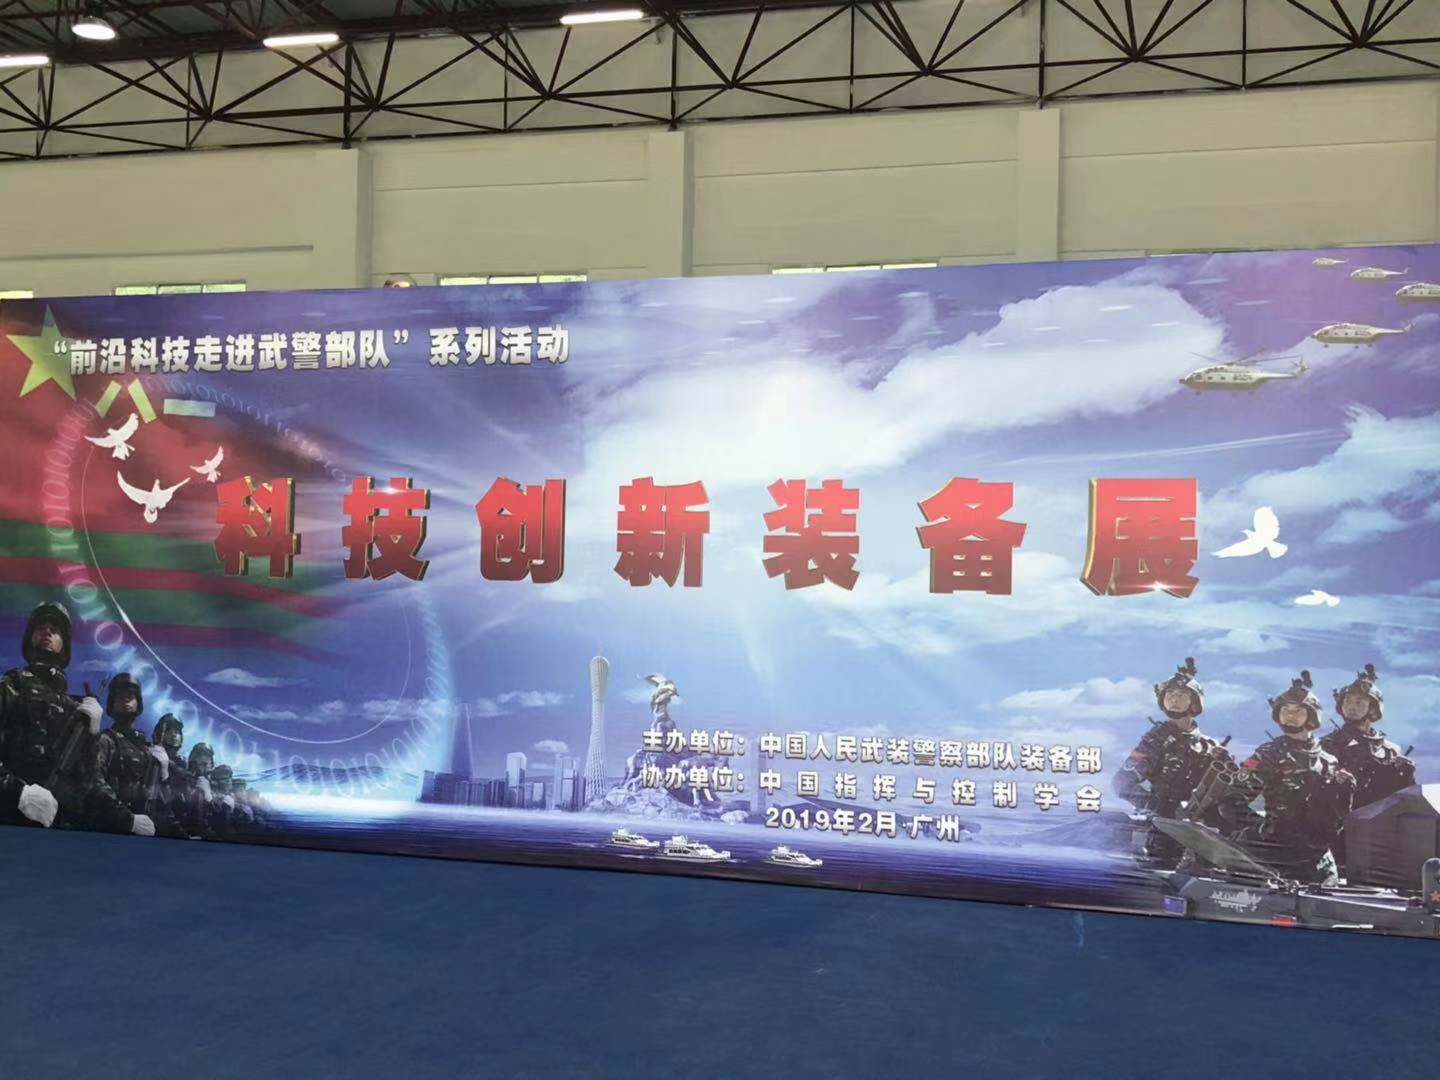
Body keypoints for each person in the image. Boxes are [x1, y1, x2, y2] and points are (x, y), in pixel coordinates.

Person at [1113, 657, 1247, 866]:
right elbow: (1122, 782)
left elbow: (1234, 795)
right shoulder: (1156, 740)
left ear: (1194, 702)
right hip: (1162, 831)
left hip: (1203, 836)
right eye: (1170, 695)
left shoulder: (1210, 747)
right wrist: (1159, 808)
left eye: (1182, 695)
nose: (1174, 700)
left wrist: (1231, 772)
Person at [0, 602, 114, 829]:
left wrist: (92, 735)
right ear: (30, 638)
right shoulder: (10, 685)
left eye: (55, 629)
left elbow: (87, 784)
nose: (47, 631)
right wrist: (18, 792)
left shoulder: (76, 709)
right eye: (40, 627)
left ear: (65, 644)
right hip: (10, 821)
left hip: (60, 828)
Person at [1237, 671, 1355, 884]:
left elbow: (1336, 820)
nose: (1290, 715)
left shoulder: (1329, 762)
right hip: (1273, 855)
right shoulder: (1266, 754)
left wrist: (1344, 790)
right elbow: (1233, 798)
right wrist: (1263, 829)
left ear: (1312, 716)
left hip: (1316, 859)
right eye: (1285, 710)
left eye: (1298, 710)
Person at [1320, 664, 1415, 810]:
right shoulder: (1326, 745)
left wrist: (1406, 776)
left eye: (1359, 702)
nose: (1351, 706)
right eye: (1347, 701)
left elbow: (1400, 800)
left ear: (1373, 708)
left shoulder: (1390, 750)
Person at [90, 672, 164, 837]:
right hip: (109, 827)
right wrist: (127, 818)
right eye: (119, 696)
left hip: (144, 827)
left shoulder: (147, 750)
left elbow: (156, 797)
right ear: (112, 704)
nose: (125, 700)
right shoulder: (105, 739)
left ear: (138, 703)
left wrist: (164, 774)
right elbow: (95, 782)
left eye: (130, 696)